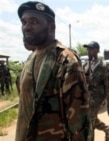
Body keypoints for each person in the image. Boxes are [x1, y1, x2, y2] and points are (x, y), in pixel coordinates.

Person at [16, 1, 91, 140]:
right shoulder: (30, 59)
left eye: (34, 22)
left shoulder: (66, 61)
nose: (27, 27)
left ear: (51, 26)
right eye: (24, 22)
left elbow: (80, 123)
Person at [83, 41, 109, 141]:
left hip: (97, 98)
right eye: (88, 49)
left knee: (89, 123)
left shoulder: (102, 67)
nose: (88, 51)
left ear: (97, 51)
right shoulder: (86, 65)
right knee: (90, 119)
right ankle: (107, 129)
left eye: (91, 49)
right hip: (87, 97)